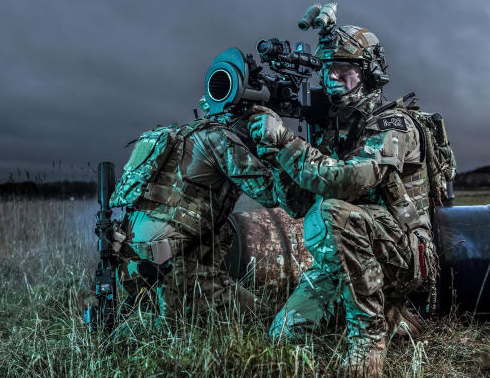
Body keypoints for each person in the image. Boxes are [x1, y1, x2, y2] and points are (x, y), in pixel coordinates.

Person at [249, 25, 456, 374]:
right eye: (327, 70)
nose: (332, 79)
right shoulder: (334, 129)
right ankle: (392, 317)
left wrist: (286, 142)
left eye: (344, 71)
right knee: (283, 337)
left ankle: (369, 337)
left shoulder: (394, 124)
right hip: (345, 259)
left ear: (371, 74)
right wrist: (273, 152)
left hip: (404, 254)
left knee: (334, 211)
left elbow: (344, 183)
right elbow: (298, 203)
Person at [109, 97, 310, 324]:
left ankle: (151, 311)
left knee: (221, 230)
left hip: (131, 271)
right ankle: (166, 315)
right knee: (265, 320)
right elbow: (287, 201)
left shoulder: (176, 136)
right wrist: (276, 145)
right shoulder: (222, 140)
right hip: (169, 275)